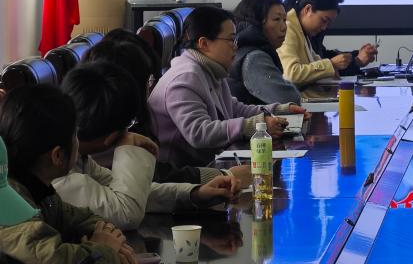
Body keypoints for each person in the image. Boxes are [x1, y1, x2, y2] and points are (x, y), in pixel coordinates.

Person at [52, 62, 238, 230]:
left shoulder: (77, 155)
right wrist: (128, 148)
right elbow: (126, 213)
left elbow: (133, 194)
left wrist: (195, 194)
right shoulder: (56, 173)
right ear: (111, 136)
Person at [149, 6, 304, 166]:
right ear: (204, 43)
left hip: (206, 163)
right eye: (231, 40)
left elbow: (234, 109)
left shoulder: (210, 69)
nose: (235, 46)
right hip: (182, 172)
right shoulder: (185, 78)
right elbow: (199, 133)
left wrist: (280, 110)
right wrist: (254, 125)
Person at [0, 85, 136, 264]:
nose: (78, 143)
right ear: (57, 156)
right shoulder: (9, 204)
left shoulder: (39, 191)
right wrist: (103, 249)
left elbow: (81, 219)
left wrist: (107, 239)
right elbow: (54, 258)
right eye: (75, 135)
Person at [84, 39, 248, 187]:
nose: (151, 88)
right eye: (148, 81)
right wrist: (222, 175)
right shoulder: (103, 143)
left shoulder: (126, 123)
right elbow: (152, 180)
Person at [278, 0, 377, 87]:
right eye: (324, 20)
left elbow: (319, 61)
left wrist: (353, 59)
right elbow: (291, 75)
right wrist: (332, 64)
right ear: (308, 9)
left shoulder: (302, 29)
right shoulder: (288, 28)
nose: (324, 27)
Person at [228, 0, 302, 105]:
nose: (284, 27)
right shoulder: (254, 58)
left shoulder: (242, 50)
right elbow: (288, 99)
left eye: (284, 20)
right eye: (277, 19)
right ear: (257, 22)